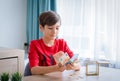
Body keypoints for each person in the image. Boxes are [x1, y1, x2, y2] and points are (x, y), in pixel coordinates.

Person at [28, 11, 80, 75]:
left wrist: (74, 66)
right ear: (41, 28)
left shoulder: (62, 43)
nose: (54, 32)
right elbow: (34, 70)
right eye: (50, 28)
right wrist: (55, 68)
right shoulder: (35, 44)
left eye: (57, 28)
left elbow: (77, 63)